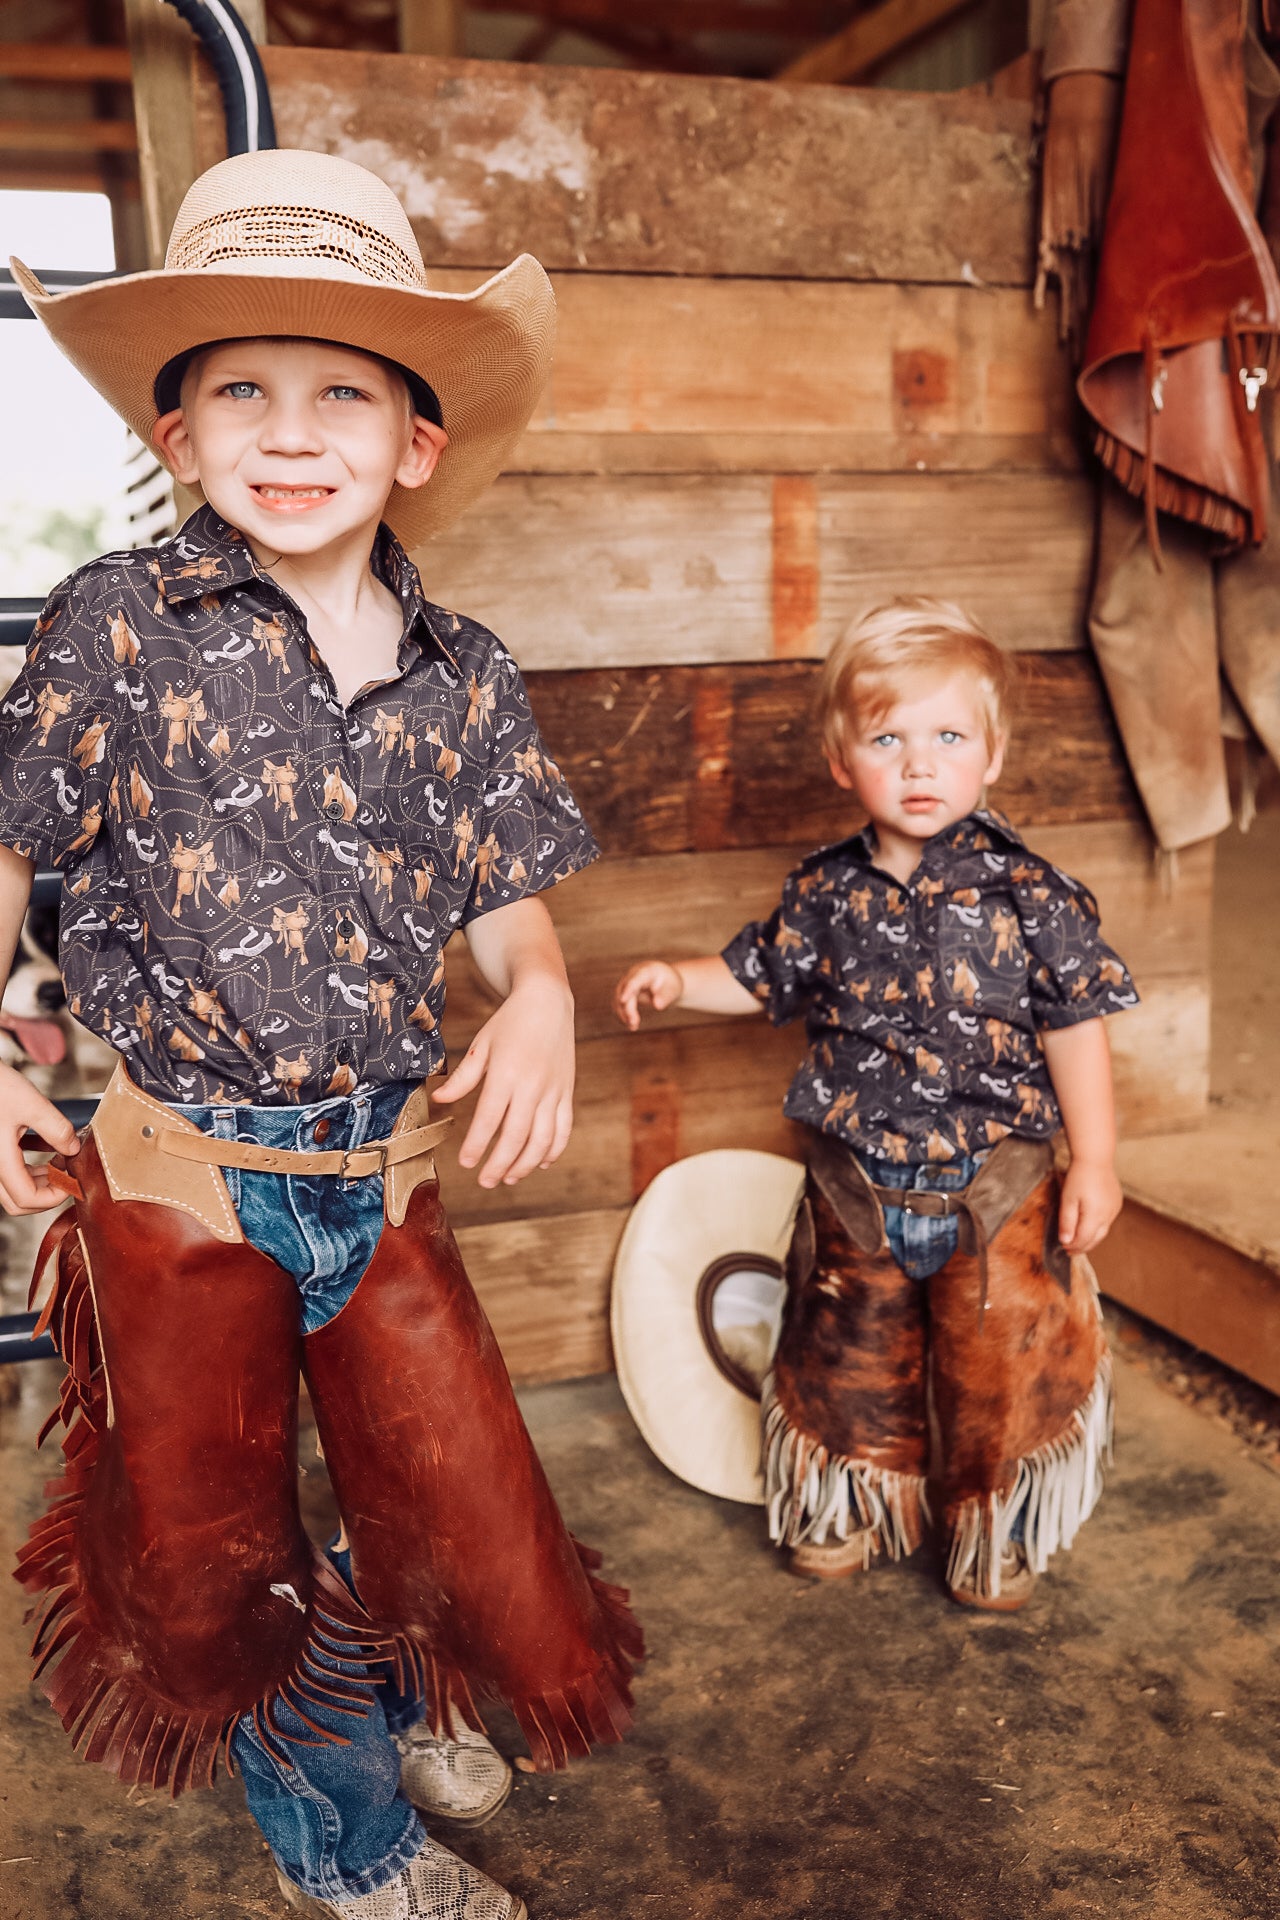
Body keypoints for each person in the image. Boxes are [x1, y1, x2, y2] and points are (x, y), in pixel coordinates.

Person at [0, 148, 641, 1920]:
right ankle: (351, 1849)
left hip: (381, 1160)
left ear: (414, 444)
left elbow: (506, 893)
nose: (291, 433)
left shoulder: (469, 674)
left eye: (341, 392)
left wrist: (543, 994)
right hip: (185, 1173)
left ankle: (400, 1679)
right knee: (222, 1548)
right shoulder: (116, 627)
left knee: (439, 1494)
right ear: (179, 435)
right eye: (242, 394)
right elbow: (11, 850)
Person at [615, 597, 1138, 1611]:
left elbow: (1075, 1025)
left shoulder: (1033, 895)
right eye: (886, 738)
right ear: (837, 757)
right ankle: (846, 1498)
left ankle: (991, 1523)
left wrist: (1099, 1158)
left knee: (1000, 1366)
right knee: (845, 1354)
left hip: (996, 1186)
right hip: (857, 1185)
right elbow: (764, 973)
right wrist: (681, 978)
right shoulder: (824, 893)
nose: (918, 763)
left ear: (989, 755)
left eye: (947, 737)